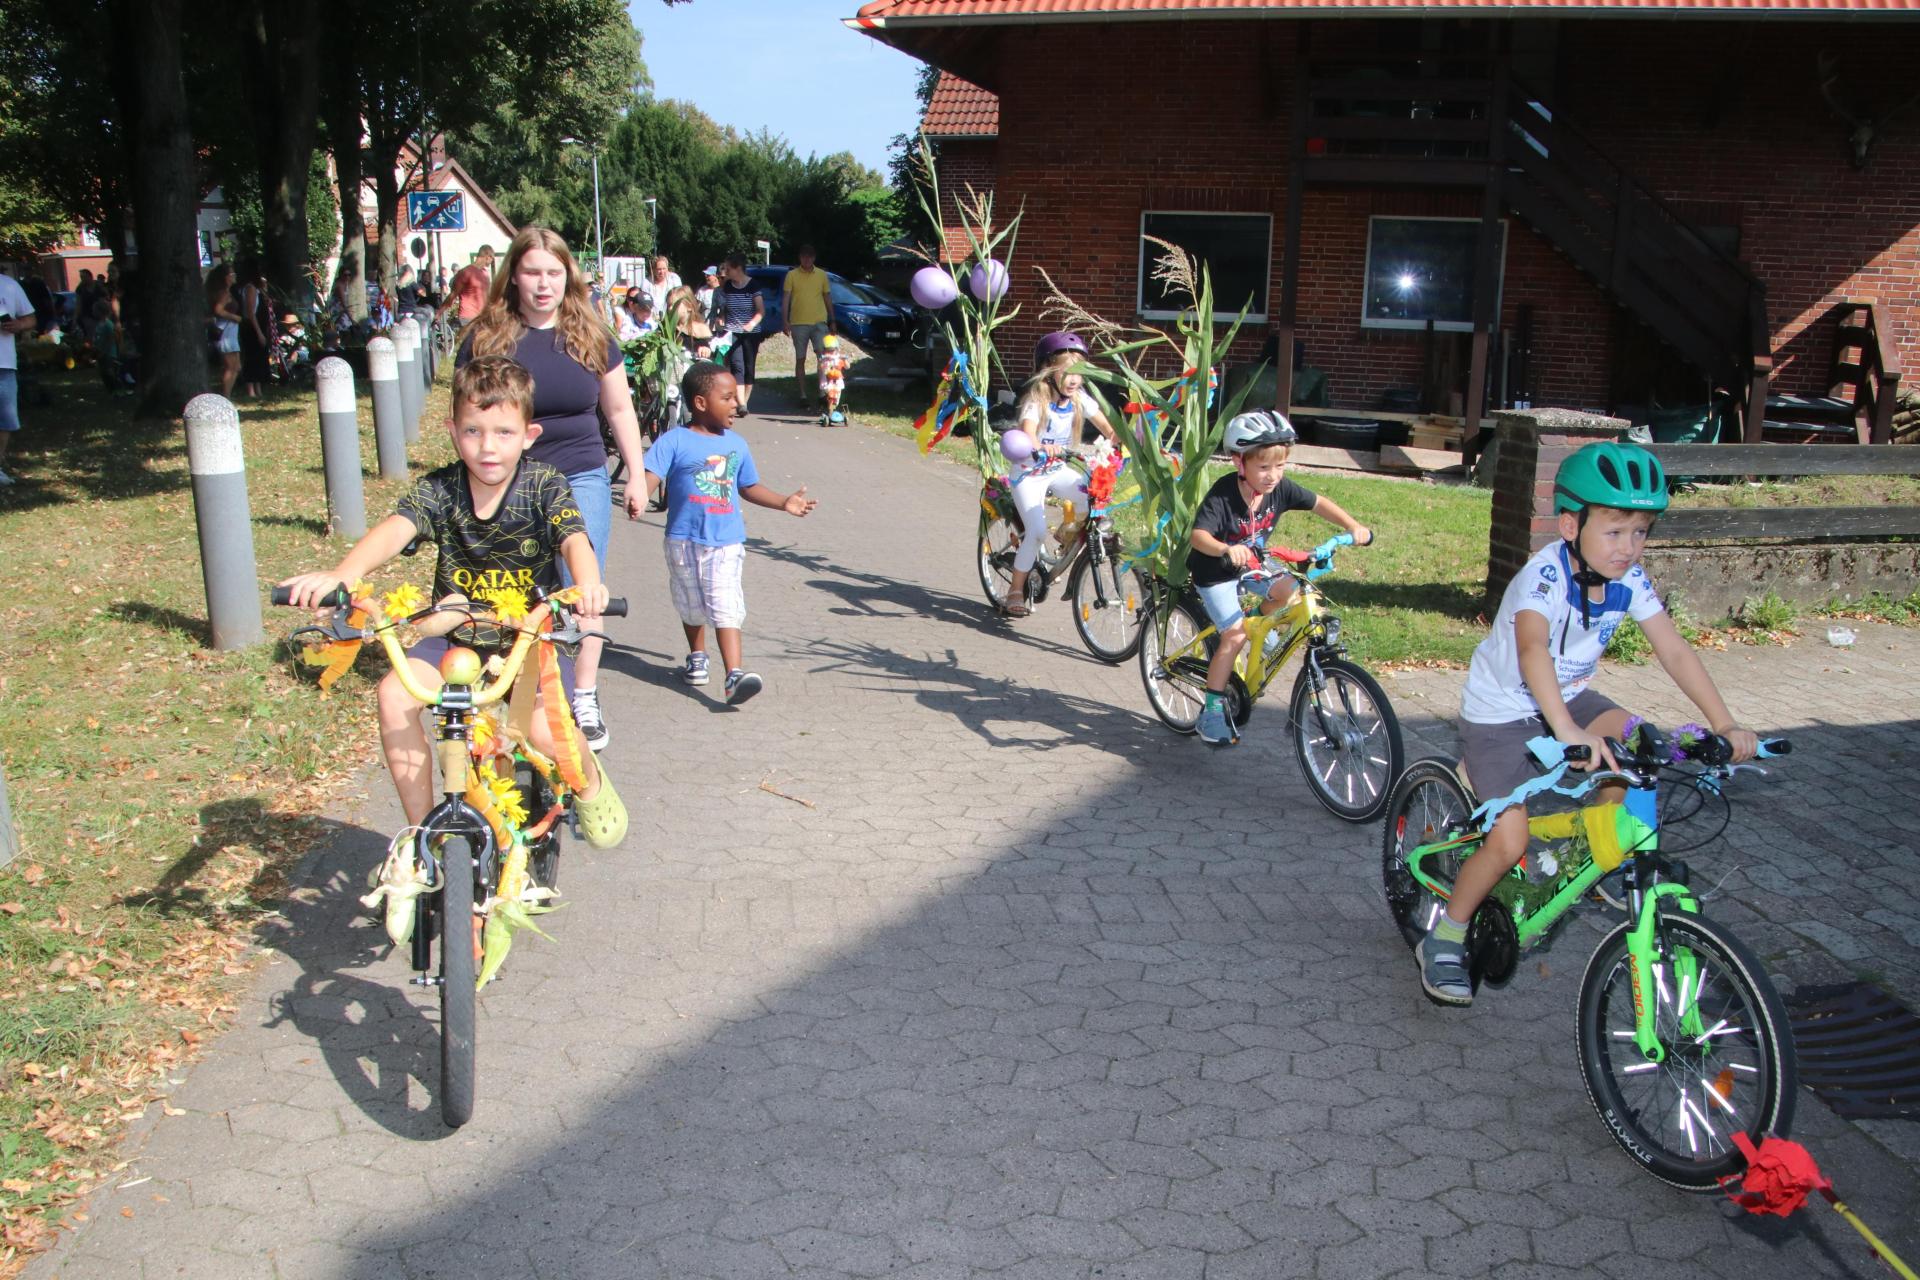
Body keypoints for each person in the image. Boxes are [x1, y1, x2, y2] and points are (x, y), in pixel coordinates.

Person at [1416, 441, 1758, 1005]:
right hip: (1502, 712)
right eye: (1616, 531)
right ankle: (1446, 936)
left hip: (1570, 697)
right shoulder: (1543, 578)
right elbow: (1532, 652)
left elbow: (1673, 650)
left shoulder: (1631, 580)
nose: (1630, 547)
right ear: (1571, 524)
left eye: (1641, 532)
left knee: (1643, 749)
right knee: (1508, 841)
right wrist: (1568, 733)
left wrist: (1724, 724)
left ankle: (1590, 854)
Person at [276, 355, 628, 866]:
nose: (488, 446)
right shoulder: (440, 489)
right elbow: (396, 528)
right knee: (395, 694)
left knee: (544, 733)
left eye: (504, 432)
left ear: (528, 435)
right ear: (452, 431)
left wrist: (589, 584)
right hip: (456, 634)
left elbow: (574, 538)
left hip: (527, 637)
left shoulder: (544, 484)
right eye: (473, 431)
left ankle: (592, 781)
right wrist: (343, 576)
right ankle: (425, 838)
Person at [456, 226, 646, 752]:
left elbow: (619, 408)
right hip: (508, 476)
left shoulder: (591, 333)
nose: (544, 284)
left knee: (579, 584)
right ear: (513, 275)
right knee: (514, 582)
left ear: (569, 276)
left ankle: (580, 694)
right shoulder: (486, 337)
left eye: (554, 273)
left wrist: (635, 471)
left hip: (580, 471)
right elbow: (467, 415)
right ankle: (524, 692)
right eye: (533, 272)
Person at [1188, 410, 1373, 747]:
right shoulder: (1223, 494)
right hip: (1215, 572)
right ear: (1239, 463)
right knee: (1234, 636)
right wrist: (1224, 549)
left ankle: (1260, 625)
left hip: (1254, 567)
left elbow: (1319, 503)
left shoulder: (1280, 489)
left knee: (1292, 589)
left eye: (1280, 466)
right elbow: (1198, 535)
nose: (1273, 475)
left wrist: (1352, 527)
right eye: (1263, 467)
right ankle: (1211, 710)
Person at [641, 362, 816, 704]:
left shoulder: (736, 445)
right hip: (682, 540)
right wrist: (637, 496)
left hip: (726, 542)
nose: (737, 404)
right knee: (691, 605)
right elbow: (650, 477)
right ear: (701, 403)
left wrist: (784, 502)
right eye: (727, 398)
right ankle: (697, 657)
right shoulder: (674, 441)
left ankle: (734, 675)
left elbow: (748, 486)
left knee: (725, 605)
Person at [1000, 333, 1121, 618]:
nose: (1073, 379)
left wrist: (1122, 441)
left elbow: (1108, 427)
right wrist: (1041, 446)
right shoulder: (1036, 400)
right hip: (1029, 473)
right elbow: (1029, 432)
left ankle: (1067, 536)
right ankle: (1014, 591)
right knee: (1036, 532)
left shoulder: (1079, 399)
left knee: (1093, 499)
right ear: (1048, 370)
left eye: (1079, 373)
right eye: (1066, 372)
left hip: (1056, 470)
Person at [709, 255, 765, 417]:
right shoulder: (727, 287)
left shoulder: (753, 285)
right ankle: (741, 403)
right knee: (737, 366)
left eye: (728, 269)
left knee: (749, 368)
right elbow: (724, 309)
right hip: (732, 332)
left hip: (751, 333)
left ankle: (744, 402)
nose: (725, 272)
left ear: (737, 269)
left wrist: (752, 323)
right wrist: (722, 318)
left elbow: (761, 310)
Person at [781, 244, 835, 409]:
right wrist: (785, 320)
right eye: (804, 256)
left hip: (819, 322)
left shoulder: (821, 275)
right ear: (800, 258)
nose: (807, 259)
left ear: (814, 258)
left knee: (822, 358)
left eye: (810, 257)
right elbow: (786, 299)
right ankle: (803, 394)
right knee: (800, 358)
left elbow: (827, 298)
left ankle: (822, 392)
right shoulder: (792, 275)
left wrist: (832, 320)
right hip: (798, 323)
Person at [0, 267, 34, 485]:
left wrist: (18, 325)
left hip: (4, 364)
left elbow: (30, 319)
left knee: (5, 420)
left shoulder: (9, 285)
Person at [437, 244, 495, 336]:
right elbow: (453, 295)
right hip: (468, 317)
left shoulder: (485, 274)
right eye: (492, 258)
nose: (492, 261)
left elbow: (487, 296)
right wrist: (439, 313)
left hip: (482, 318)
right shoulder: (466, 272)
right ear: (487, 256)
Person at [206, 263, 242, 397]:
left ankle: (228, 394)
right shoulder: (224, 294)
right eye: (231, 274)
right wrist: (235, 317)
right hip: (226, 331)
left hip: (231, 332)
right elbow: (218, 310)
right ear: (225, 277)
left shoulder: (228, 292)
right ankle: (226, 396)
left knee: (237, 367)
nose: (234, 276)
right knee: (230, 367)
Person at [236, 258, 271, 399]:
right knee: (252, 357)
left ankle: (258, 386)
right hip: (251, 327)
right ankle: (250, 389)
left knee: (260, 357)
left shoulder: (259, 288)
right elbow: (250, 313)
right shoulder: (250, 288)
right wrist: (259, 333)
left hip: (260, 325)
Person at [817, 333, 849, 426]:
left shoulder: (838, 359)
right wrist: (821, 361)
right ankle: (829, 411)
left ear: (837, 350)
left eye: (832, 351)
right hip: (828, 382)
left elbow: (847, 367)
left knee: (836, 399)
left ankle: (833, 409)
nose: (830, 353)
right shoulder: (825, 360)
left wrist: (845, 360)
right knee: (830, 396)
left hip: (837, 382)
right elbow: (820, 367)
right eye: (828, 351)